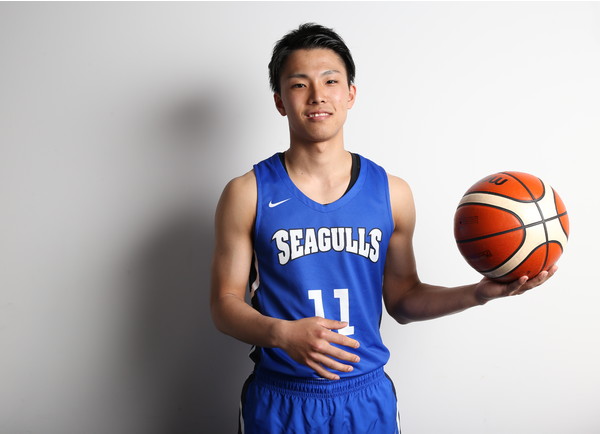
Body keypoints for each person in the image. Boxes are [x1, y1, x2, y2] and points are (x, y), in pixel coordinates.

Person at [210, 23, 556, 434]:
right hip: (282, 399)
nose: (317, 95)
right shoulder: (247, 193)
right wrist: (280, 333)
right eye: (299, 84)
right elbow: (224, 304)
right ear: (280, 101)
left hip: (365, 399)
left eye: (331, 81)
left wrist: (478, 294)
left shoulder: (392, 193)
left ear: (350, 94)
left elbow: (404, 299)